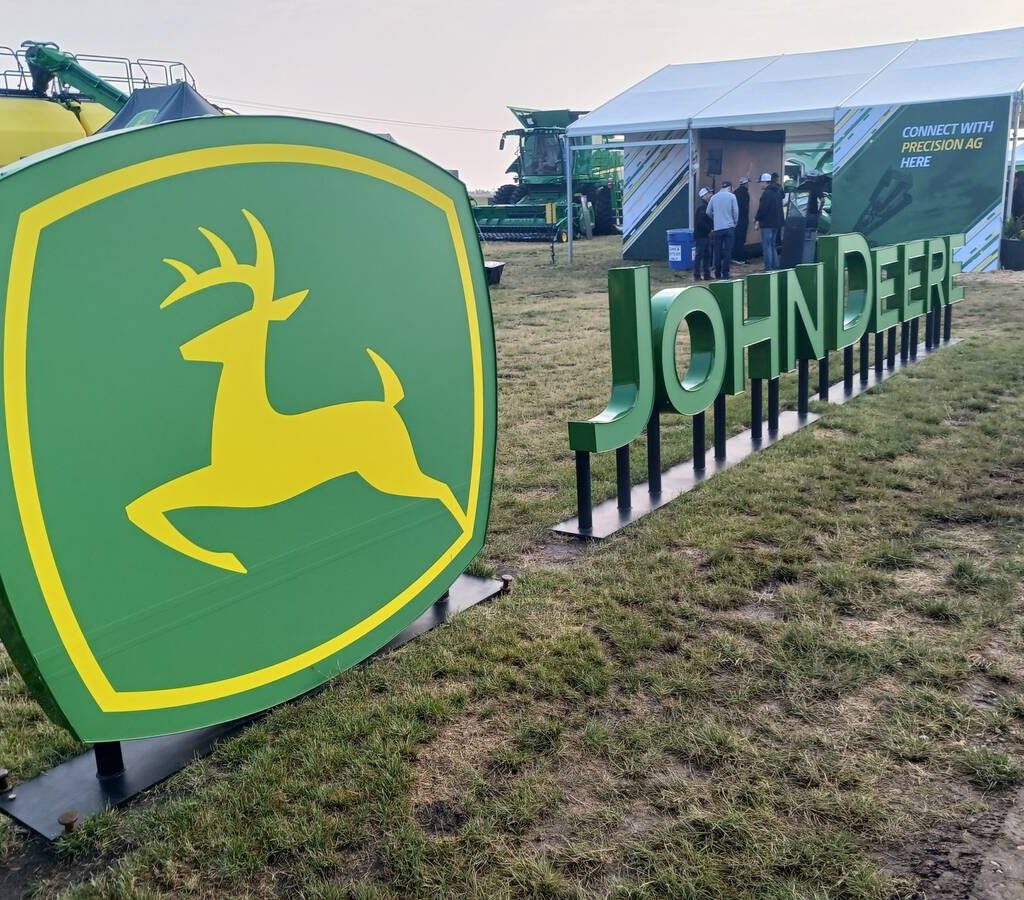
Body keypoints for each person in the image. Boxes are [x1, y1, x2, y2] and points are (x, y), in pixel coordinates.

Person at [706, 181, 739, 279]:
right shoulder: (732, 197)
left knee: (717, 251)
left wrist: (715, 219)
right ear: (730, 187)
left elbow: (708, 212)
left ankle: (717, 273)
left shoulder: (714, 197)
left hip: (718, 228)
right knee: (727, 251)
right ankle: (725, 273)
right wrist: (734, 223)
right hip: (729, 227)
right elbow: (735, 212)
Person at [754, 172, 784, 271]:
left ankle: (768, 268)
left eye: (761, 182)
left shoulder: (766, 193)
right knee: (772, 245)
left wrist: (756, 219)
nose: (760, 184)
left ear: (766, 182)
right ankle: (775, 266)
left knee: (766, 246)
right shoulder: (778, 192)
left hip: (767, 224)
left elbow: (762, 209)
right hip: (777, 223)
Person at [693, 187, 714, 280]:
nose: (711, 195)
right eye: (709, 193)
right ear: (704, 195)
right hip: (702, 235)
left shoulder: (705, 206)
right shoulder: (702, 207)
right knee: (700, 255)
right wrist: (710, 229)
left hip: (704, 235)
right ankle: (697, 275)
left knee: (706, 255)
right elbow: (700, 222)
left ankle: (706, 274)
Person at [732, 176, 750, 264]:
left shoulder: (735, 193)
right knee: (741, 238)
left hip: (736, 219)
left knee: (737, 238)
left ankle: (736, 256)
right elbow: (745, 208)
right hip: (743, 219)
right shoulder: (745, 194)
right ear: (745, 184)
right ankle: (739, 257)